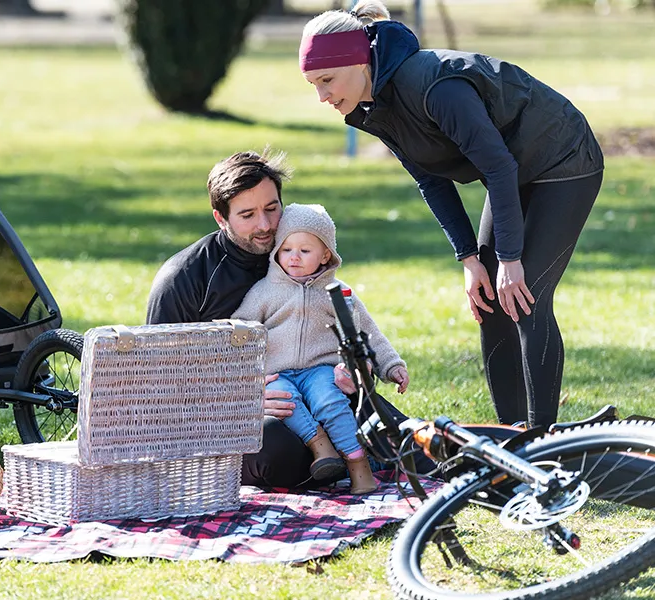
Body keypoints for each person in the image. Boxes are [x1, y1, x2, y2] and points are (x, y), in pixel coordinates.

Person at [298, 0, 604, 428]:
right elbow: (430, 179)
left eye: (327, 80)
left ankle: (543, 446)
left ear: (358, 61)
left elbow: (497, 167)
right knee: (490, 301)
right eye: (314, 84)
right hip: (512, 172)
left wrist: (510, 260)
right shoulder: (373, 107)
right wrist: (470, 259)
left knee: (524, 295)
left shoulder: (435, 86)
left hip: (563, 158)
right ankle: (509, 443)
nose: (322, 96)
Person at [147, 149, 428, 488]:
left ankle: (356, 458)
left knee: (418, 450)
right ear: (220, 218)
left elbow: (343, 323)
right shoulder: (183, 278)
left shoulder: (298, 251)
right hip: (227, 414)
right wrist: (237, 396)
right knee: (278, 453)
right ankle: (347, 461)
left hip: (322, 388)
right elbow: (157, 382)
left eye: (271, 208)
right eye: (247, 214)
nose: (265, 226)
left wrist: (356, 369)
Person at [232, 203, 409, 493]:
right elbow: (241, 330)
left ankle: (358, 466)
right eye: (287, 250)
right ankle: (321, 448)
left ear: (325, 254)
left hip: (320, 370)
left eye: (305, 251)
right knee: (286, 402)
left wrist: (391, 366)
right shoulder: (265, 291)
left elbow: (368, 332)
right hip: (279, 372)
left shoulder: (337, 294)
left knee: (331, 402)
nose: (294, 258)